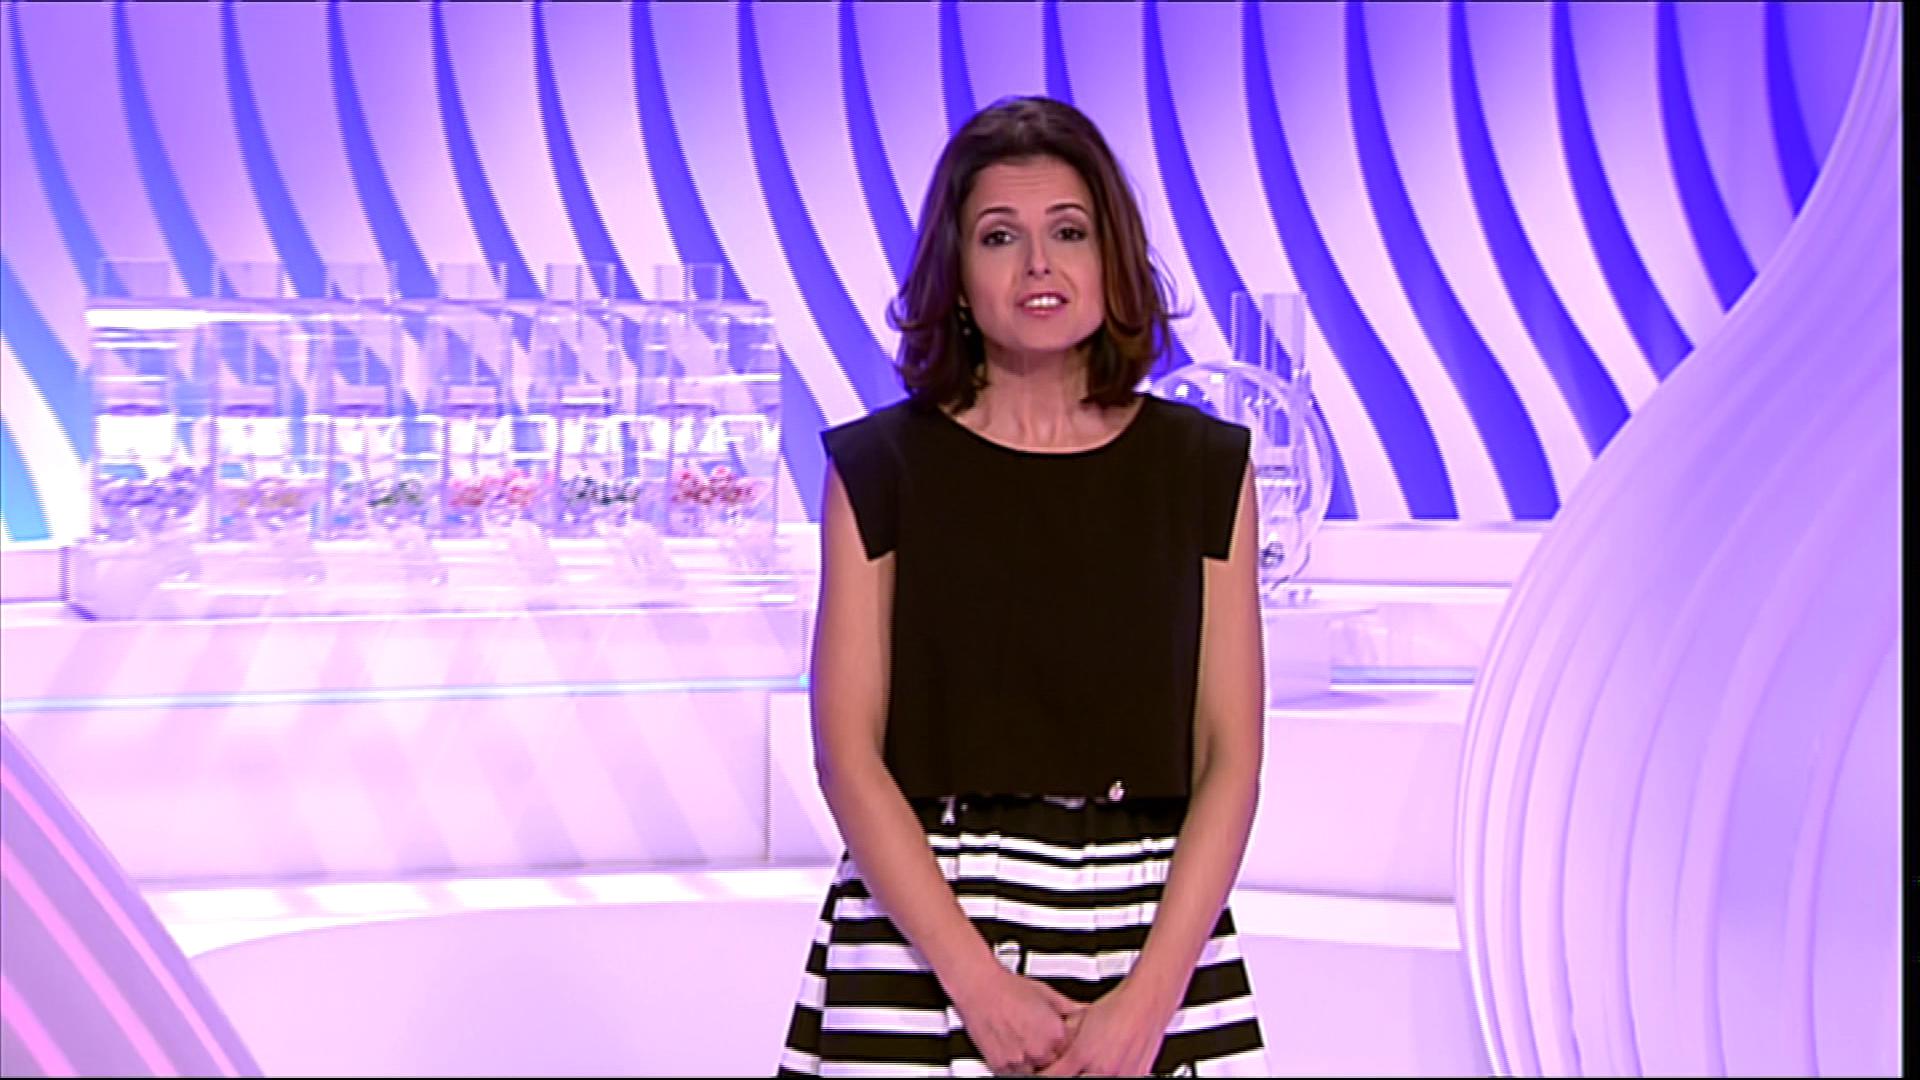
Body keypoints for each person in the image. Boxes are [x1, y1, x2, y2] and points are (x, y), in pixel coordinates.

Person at [777, 96, 1269, 1078]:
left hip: (1152, 939)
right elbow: (846, 755)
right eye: (1001, 236)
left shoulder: (1206, 470)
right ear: (957, 278)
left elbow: (1231, 759)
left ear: (1113, 259)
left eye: (1069, 232)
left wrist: (1148, 1005)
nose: (1039, 264)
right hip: (923, 940)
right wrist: (979, 986)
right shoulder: (878, 471)